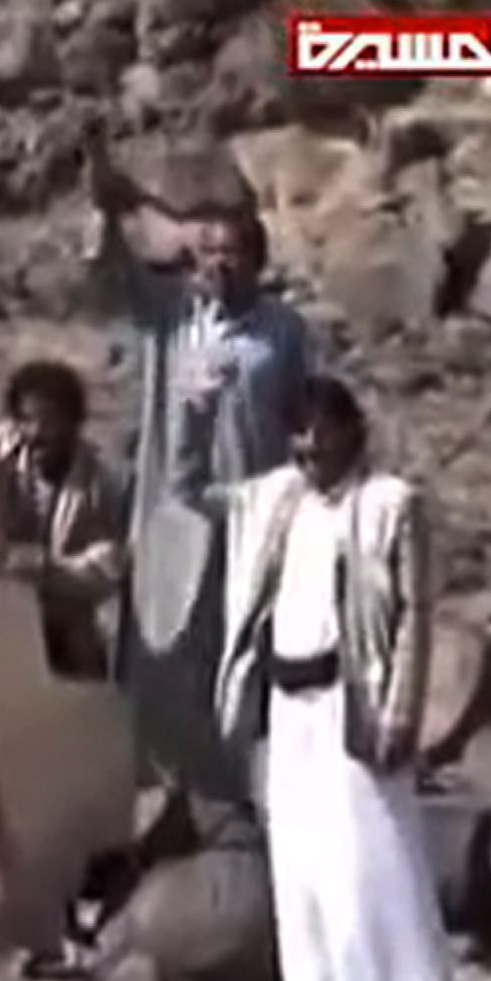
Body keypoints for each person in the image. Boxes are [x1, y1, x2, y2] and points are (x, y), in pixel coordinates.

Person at [180, 374, 456, 981]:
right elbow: (188, 495)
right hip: (287, 701)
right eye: (299, 433)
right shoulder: (277, 497)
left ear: (351, 432)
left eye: (321, 431)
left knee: (365, 852)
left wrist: (401, 711)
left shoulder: (392, 503)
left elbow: (416, 617)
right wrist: (191, 419)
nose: (309, 446)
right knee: (300, 855)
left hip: (353, 699)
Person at [88, 142, 316, 801]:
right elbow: (110, 273)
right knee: (160, 655)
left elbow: (308, 414)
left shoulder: (283, 331)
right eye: (208, 252)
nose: (219, 264)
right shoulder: (170, 316)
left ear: (257, 257)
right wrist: (108, 210)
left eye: (233, 252)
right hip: (172, 513)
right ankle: (155, 798)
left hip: (249, 516)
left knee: (237, 657)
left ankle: (232, 797)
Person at [0, 360, 126, 679]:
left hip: (63, 632)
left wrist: (48, 569)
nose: (35, 433)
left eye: (49, 422)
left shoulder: (101, 482)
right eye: (26, 420)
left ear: (74, 422)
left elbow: (108, 570)